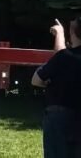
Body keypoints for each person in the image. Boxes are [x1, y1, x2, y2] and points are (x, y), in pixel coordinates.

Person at [31, 17, 81, 158]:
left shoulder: (64, 57)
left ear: (73, 33)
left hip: (60, 116)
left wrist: (59, 34)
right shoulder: (66, 57)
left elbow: (36, 80)